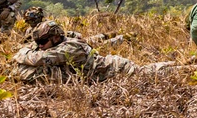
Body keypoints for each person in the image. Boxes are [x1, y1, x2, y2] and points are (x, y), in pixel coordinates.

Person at [11, 21, 155, 83]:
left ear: (55, 37)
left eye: (43, 42)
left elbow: (38, 59)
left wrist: (20, 55)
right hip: (104, 73)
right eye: (38, 43)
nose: (40, 46)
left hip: (119, 70)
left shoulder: (71, 47)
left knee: (155, 73)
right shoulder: (54, 44)